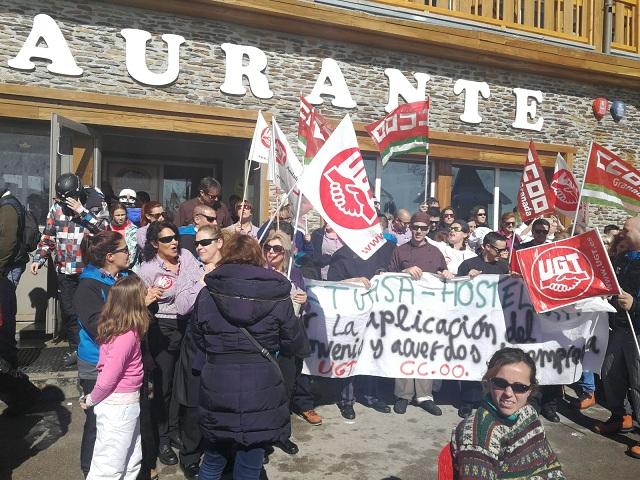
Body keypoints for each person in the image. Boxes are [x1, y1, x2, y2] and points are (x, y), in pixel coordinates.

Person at [191, 234, 307, 480]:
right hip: (261, 382)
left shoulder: (207, 293)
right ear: (257, 256)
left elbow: (198, 337)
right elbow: (293, 342)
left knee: (213, 457)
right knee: (250, 462)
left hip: (218, 379)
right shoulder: (276, 295)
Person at [138, 221, 205, 466]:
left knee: (182, 383)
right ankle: (162, 439)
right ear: (155, 244)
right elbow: (141, 304)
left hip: (187, 325)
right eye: (166, 239)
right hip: (162, 328)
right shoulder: (147, 270)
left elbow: (199, 279)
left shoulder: (186, 256)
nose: (174, 242)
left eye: (175, 237)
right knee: (163, 387)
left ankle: (176, 430)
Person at [30, 173, 109, 366]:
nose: (66, 202)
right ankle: (76, 350)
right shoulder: (56, 209)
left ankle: (98, 350)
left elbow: (106, 232)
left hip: (89, 271)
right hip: (65, 270)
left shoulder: (96, 204)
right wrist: (39, 257)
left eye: (69, 198)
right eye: (62, 198)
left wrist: (82, 211)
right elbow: (48, 236)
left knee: (92, 313)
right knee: (69, 312)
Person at [452, 347, 565, 479]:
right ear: (488, 383)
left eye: (520, 387)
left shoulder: (528, 412)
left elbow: (550, 463)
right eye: (500, 383)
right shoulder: (478, 435)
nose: (508, 393)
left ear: (530, 390)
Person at [80, 275, 150, 480]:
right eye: (143, 294)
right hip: (118, 406)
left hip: (125, 404)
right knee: (109, 464)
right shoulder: (125, 335)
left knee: (130, 457)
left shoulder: (127, 330)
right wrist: (92, 398)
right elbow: (109, 376)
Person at [388, 212, 452, 416]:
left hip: (429, 312)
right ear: (410, 228)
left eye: (423, 228)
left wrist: (446, 274)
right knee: (405, 350)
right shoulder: (400, 250)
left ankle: (424, 396)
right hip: (405, 311)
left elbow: (445, 274)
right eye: (415, 227)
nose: (418, 231)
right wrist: (404, 273)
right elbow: (388, 277)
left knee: (425, 350)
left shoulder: (435, 252)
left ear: (429, 229)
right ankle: (403, 395)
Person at [172, 225, 223, 480]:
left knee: (220, 401)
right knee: (193, 403)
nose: (200, 247)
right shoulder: (192, 270)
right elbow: (180, 307)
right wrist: (202, 283)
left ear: (220, 243)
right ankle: (190, 455)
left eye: (206, 242)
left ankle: (221, 450)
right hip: (196, 344)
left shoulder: (231, 270)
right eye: (197, 244)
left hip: (224, 345)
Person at [327, 239, 395, 419]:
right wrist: (353, 281)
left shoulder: (382, 251)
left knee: (371, 355)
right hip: (350, 316)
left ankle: (371, 396)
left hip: (375, 314)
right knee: (350, 356)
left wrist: (383, 275)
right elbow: (331, 284)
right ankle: (347, 401)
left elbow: (391, 273)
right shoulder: (340, 255)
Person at [264, 230, 321, 439]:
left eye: (277, 249)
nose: (271, 253)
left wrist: (303, 299)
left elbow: (303, 305)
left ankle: (282, 432)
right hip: (267, 335)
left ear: (286, 252)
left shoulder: (294, 273)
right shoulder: (260, 272)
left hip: (290, 333)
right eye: (267, 248)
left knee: (288, 382)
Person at [594, 216, 640, 459]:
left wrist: (635, 304)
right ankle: (619, 417)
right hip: (619, 329)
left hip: (638, 332)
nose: (622, 233)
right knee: (611, 374)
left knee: (639, 382)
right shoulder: (621, 259)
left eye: (626, 229)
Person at [456, 232, 510, 418]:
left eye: (504, 250)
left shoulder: (504, 266)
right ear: (486, 247)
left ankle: (488, 399)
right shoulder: (469, 264)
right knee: (472, 360)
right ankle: (467, 400)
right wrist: (466, 278)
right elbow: (455, 290)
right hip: (472, 322)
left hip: (496, 323)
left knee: (493, 363)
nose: (502, 253)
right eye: (498, 249)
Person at [0, 185, 30, 288]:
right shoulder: (8, 203)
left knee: (5, 300)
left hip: (10, 265)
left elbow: (8, 240)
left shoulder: (8, 206)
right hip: (10, 263)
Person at [109, 203, 139, 270]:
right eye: (117, 215)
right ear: (112, 216)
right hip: (111, 268)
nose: (120, 218)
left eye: (123, 215)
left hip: (129, 269)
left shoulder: (133, 230)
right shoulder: (108, 228)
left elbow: (132, 253)